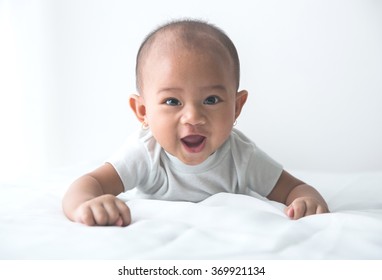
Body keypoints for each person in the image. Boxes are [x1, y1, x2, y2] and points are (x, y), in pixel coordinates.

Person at [62, 19, 329, 227]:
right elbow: (87, 185)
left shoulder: (241, 156)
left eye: (211, 99)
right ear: (143, 111)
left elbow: (295, 188)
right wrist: (85, 205)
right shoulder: (146, 154)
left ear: (236, 107)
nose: (193, 117)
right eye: (172, 101)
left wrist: (307, 200)